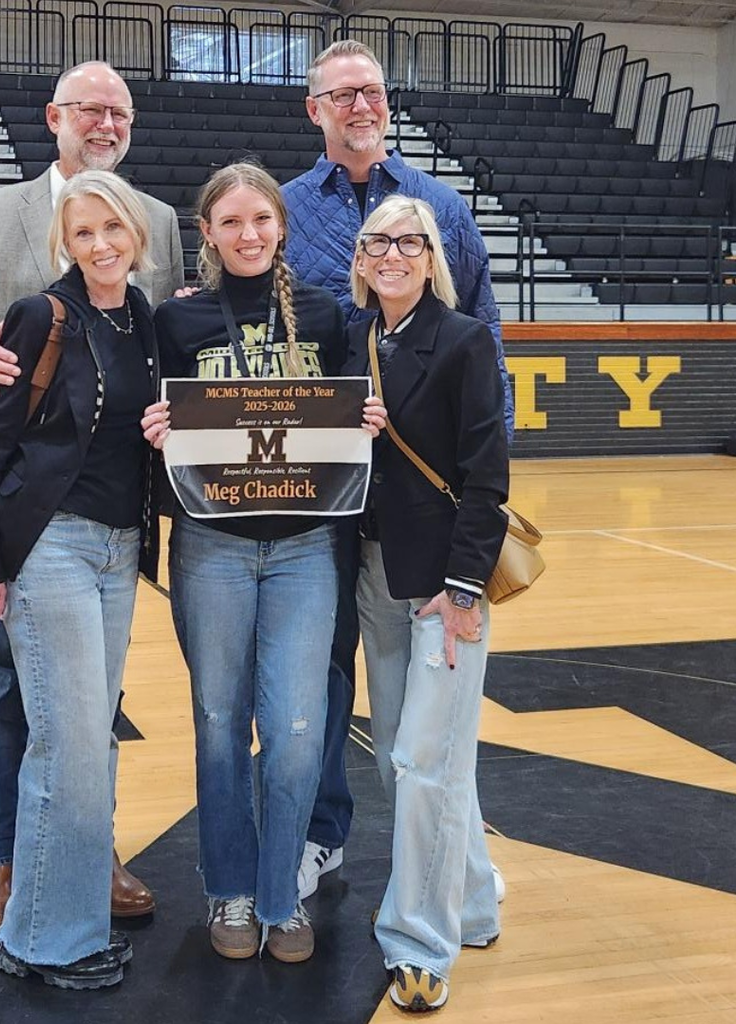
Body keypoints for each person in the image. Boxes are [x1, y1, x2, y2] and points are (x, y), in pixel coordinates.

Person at [0, 60, 184, 938]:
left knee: (92, 705)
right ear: (53, 117)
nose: (106, 123)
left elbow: (161, 343)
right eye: (90, 109)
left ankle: (87, 850)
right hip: (26, 512)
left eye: (120, 113)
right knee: (2, 697)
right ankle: (1, 862)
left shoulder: (158, 221)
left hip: (113, 514)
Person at [280, 39, 513, 901]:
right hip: (324, 504)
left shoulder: (440, 204)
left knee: (422, 729)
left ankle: (456, 888)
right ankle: (323, 836)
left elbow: (484, 339)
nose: (360, 106)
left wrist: (481, 498)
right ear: (315, 109)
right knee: (322, 679)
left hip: (421, 513)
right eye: (342, 94)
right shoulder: (285, 209)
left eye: (372, 91)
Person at [141, 162, 386, 964]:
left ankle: (282, 897)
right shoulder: (175, 320)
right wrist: (156, 430)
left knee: (295, 730)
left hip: (306, 547)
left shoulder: (324, 314)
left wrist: (365, 418)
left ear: (281, 225)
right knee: (219, 726)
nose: (248, 235)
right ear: (206, 234)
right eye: (231, 222)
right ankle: (230, 892)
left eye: (261, 219)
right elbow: (154, 423)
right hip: (210, 544)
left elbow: (343, 420)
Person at [0, 170, 161, 990]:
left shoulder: (143, 316)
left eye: (112, 228)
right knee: (68, 744)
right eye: (83, 233)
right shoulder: (38, 315)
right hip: (51, 547)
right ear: (65, 244)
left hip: (119, 549)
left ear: (136, 234)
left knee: (90, 741)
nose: (100, 244)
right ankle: (43, 940)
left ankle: (62, 919)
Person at [345, 194, 508, 1012]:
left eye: (409, 242)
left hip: (445, 584)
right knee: (402, 759)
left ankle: (419, 943)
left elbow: (488, 473)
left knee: (421, 762)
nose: (393, 255)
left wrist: (467, 587)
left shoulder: (465, 340)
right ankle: (473, 898)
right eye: (378, 242)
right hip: (377, 572)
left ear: (432, 255)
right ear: (360, 259)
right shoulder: (353, 340)